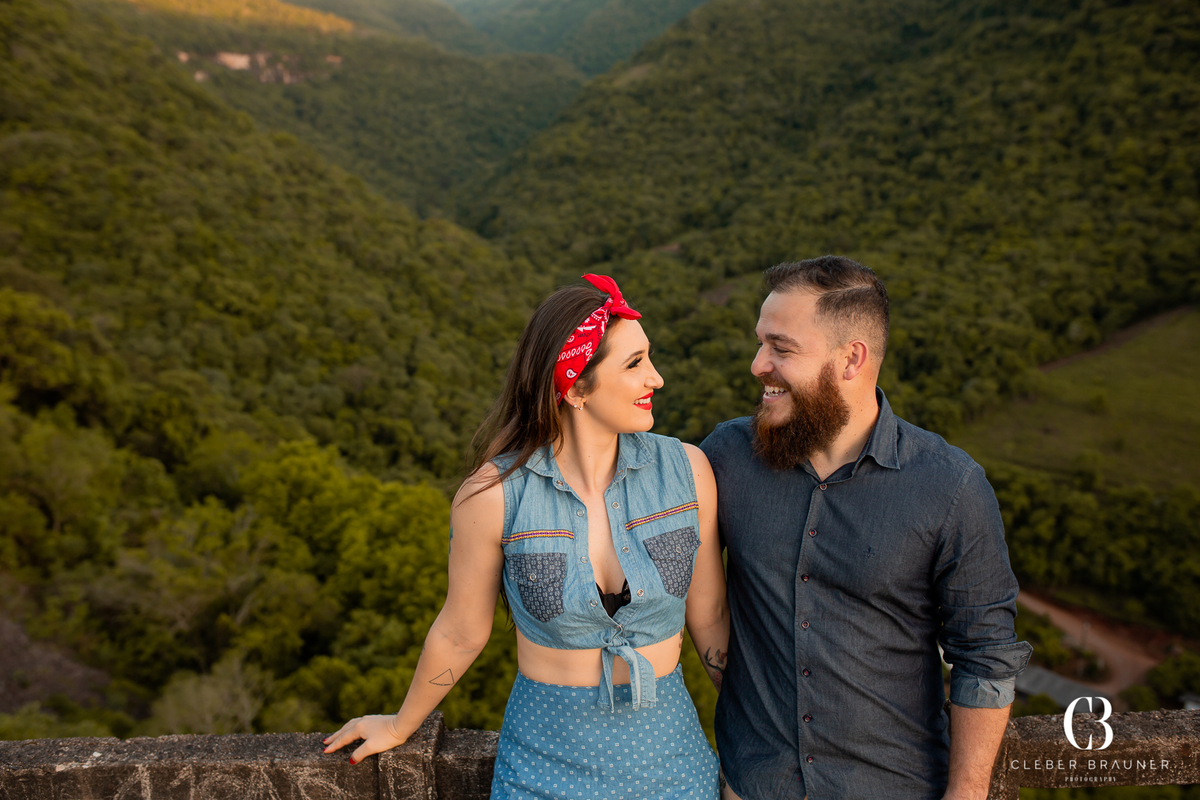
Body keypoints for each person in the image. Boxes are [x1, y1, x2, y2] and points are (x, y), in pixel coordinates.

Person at [323, 274, 727, 800]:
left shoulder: (688, 472)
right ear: (575, 385)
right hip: (543, 766)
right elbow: (461, 631)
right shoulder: (492, 496)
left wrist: (763, 742)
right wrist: (401, 725)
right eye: (634, 364)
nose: (657, 378)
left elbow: (711, 616)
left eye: (648, 358)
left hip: (672, 764)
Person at [700, 256, 1032, 800]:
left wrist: (967, 794)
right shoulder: (727, 457)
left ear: (851, 359)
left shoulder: (951, 487)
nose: (758, 364)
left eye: (781, 348)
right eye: (761, 343)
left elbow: (985, 654)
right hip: (752, 786)